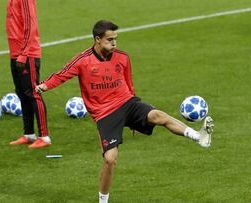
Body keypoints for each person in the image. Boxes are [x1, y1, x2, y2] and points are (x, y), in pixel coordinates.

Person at [36, 20, 214, 203]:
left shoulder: (122, 57)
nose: (114, 43)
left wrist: (134, 115)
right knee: (110, 159)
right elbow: (62, 74)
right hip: (105, 113)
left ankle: (198, 136)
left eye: (116, 39)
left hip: (127, 102)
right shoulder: (83, 60)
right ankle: (103, 201)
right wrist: (44, 86)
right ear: (97, 39)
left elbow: (129, 84)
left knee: (158, 115)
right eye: (110, 39)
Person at [6, 0, 51, 148]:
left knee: (33, 93)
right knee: (21, 93)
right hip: (15, 53)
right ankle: (29, 134)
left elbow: (30, 24)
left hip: (27, 54)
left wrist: (24, 53)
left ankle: (44, 137)